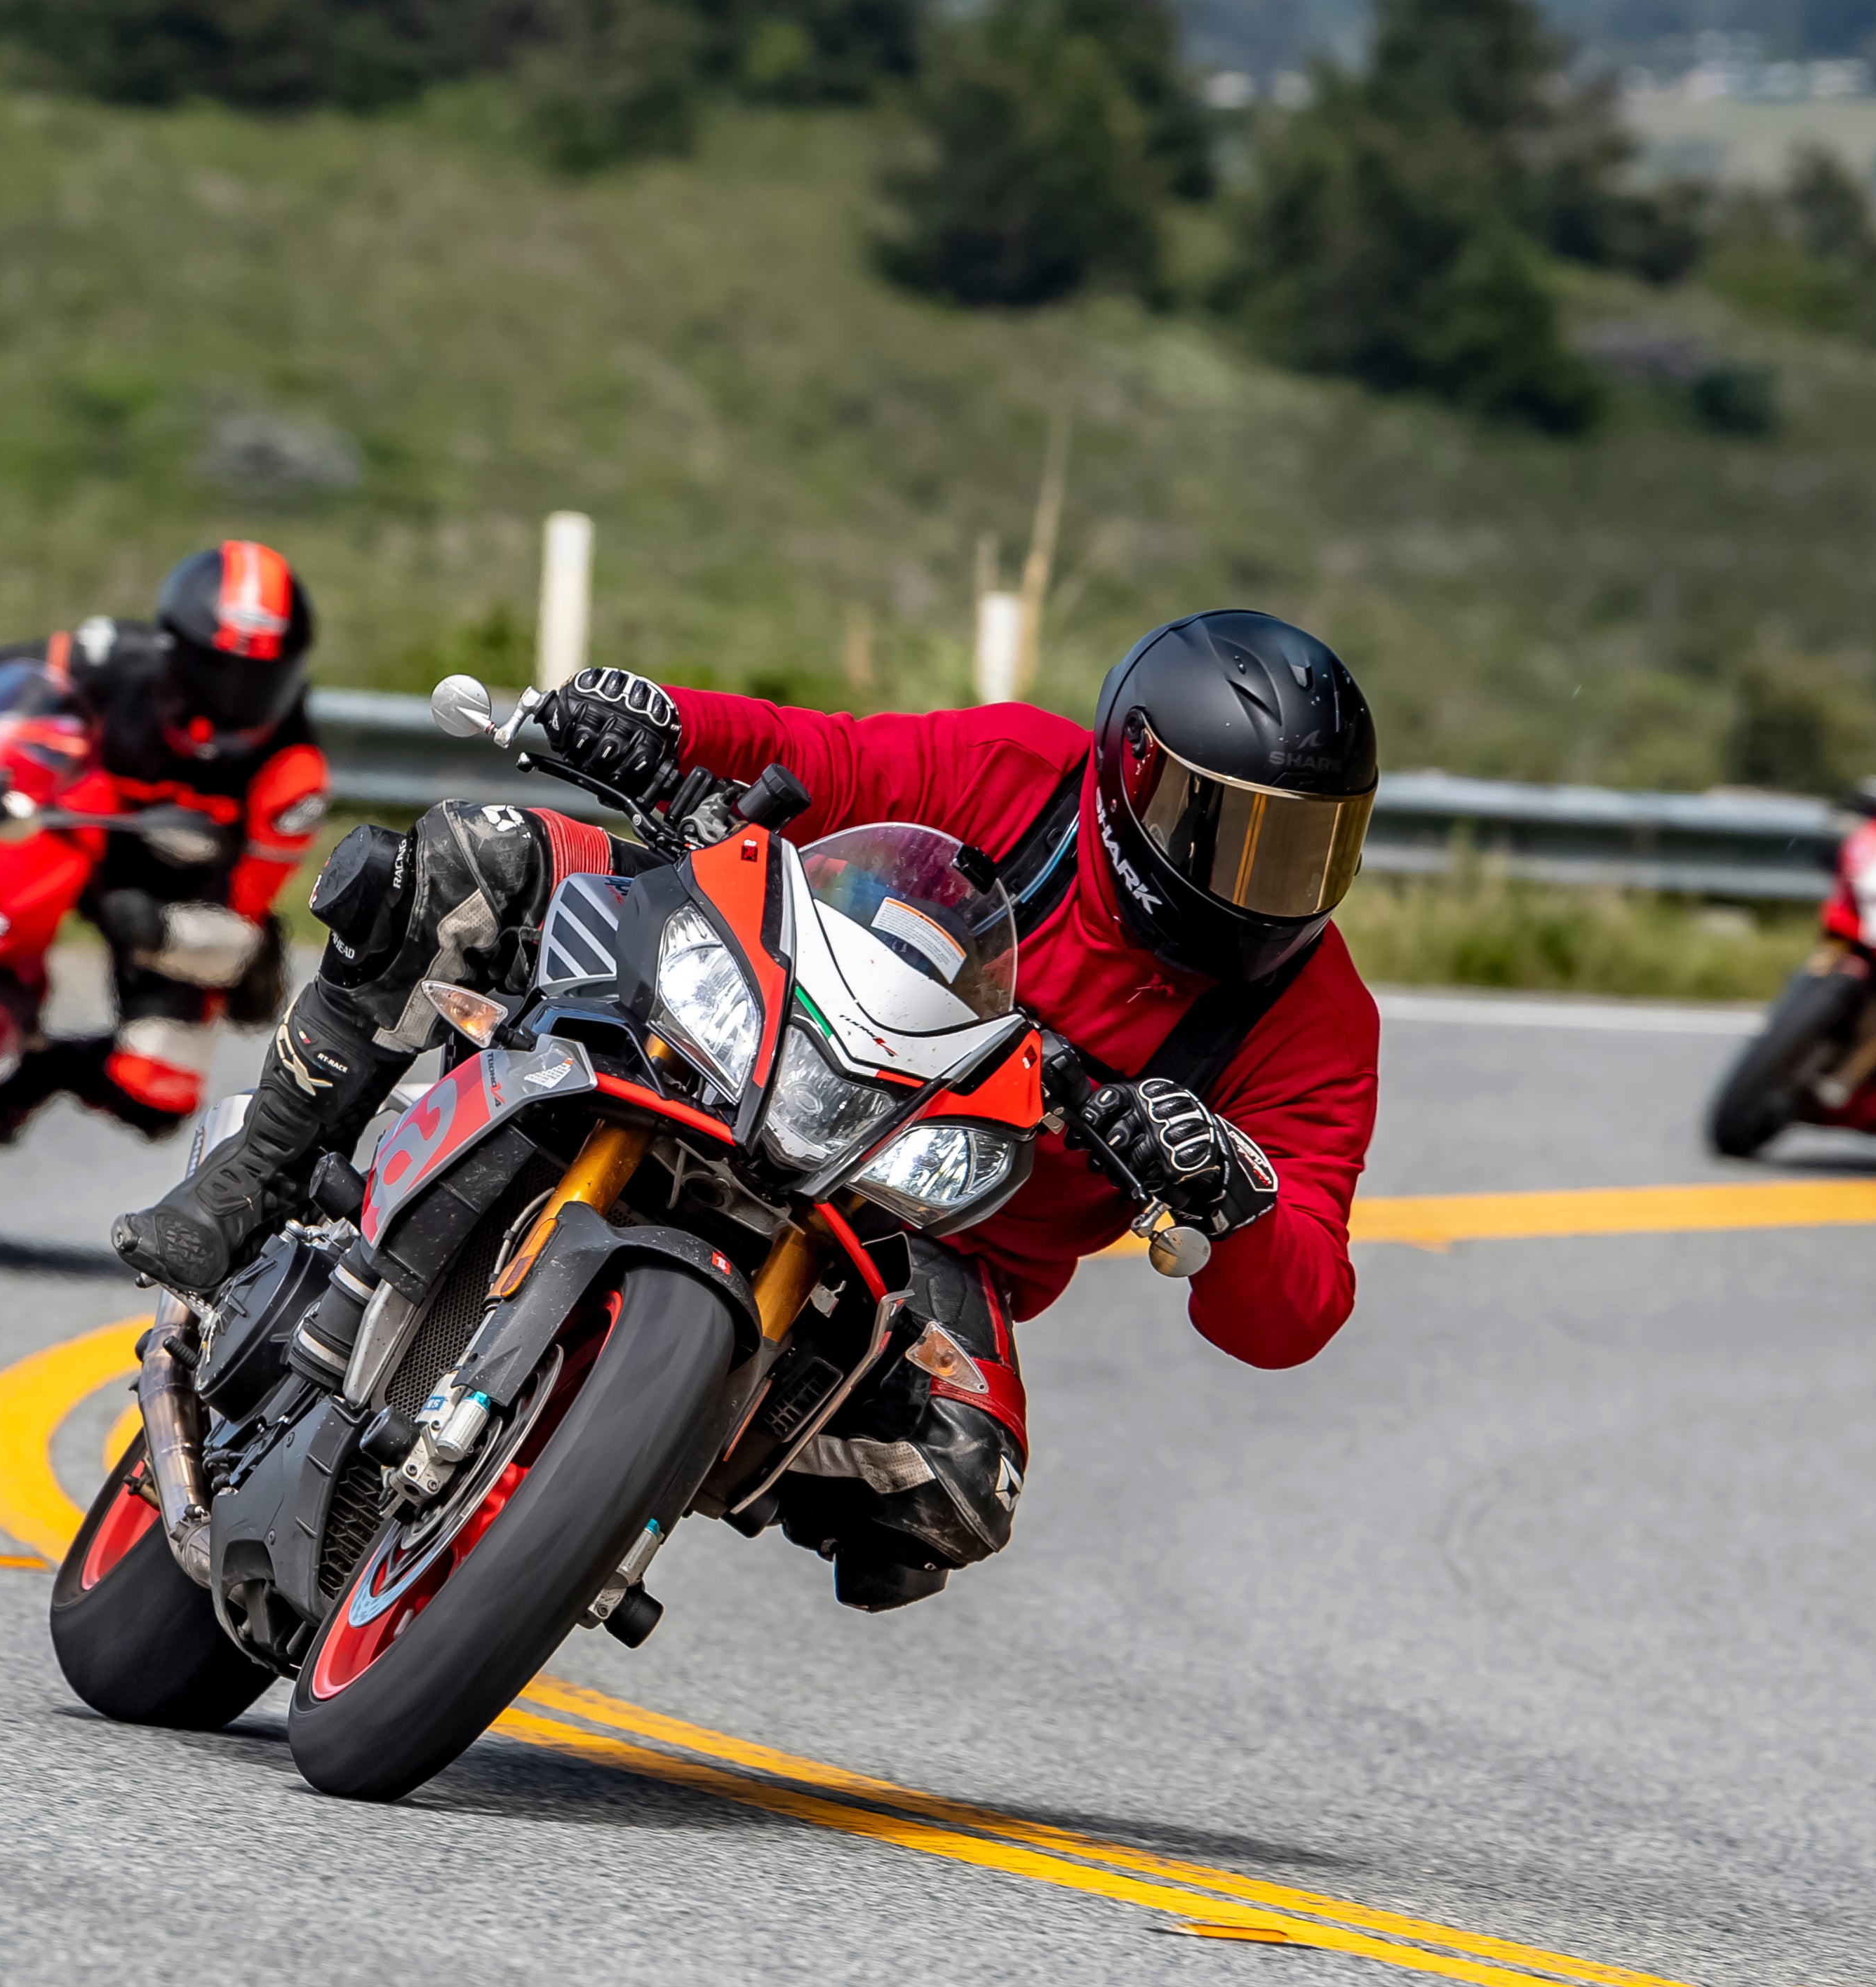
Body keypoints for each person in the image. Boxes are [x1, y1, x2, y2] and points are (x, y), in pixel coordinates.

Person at [113, 610, 1383, 1610]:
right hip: (748, 1027)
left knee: (958, 1486)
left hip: (924, 1226)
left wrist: (1238, 1194)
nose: (1263, 885)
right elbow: (821, 757)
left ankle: (639, 1452)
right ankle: (258, 1175)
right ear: (1135, 772)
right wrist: (657, 721)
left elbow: (1296, 1303)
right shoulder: (1020, 772)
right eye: (1229, 833)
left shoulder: (1314, 1022)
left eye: (1309, 849)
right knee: (470, 855)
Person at [0, 542, 330, 1142]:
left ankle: (45, 1069)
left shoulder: (294, 775)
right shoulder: (109, 654)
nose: (234, 694)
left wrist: (162, 929)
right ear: (177, 651)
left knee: (156, 1096)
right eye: (218, 670)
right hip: (59, 838)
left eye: (258, 678)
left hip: (168, 906)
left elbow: (243, 925)